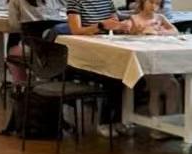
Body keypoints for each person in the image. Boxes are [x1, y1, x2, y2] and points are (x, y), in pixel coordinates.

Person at [66, 0, 134, 138]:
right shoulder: (75, 2)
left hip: (104, 51)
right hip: (84, 56)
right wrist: (101, 25)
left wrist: (122, 25)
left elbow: (114, 22)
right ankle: (105, 121)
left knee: (126, 73)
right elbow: (76, 30)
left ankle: (119, 119)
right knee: (113, 77)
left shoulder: (107, 2)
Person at [131, 0, 180, 128]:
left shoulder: (160, 18)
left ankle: (169, 124)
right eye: (151, 2)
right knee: (158, 89)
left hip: (161, 59)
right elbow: (130, 35)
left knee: (172, 87)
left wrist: (161, 32)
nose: (154, 6)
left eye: (157, 4)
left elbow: (175, 31)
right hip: (146, 61)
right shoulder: (135, 19)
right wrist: (139, 31)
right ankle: (157, 126)